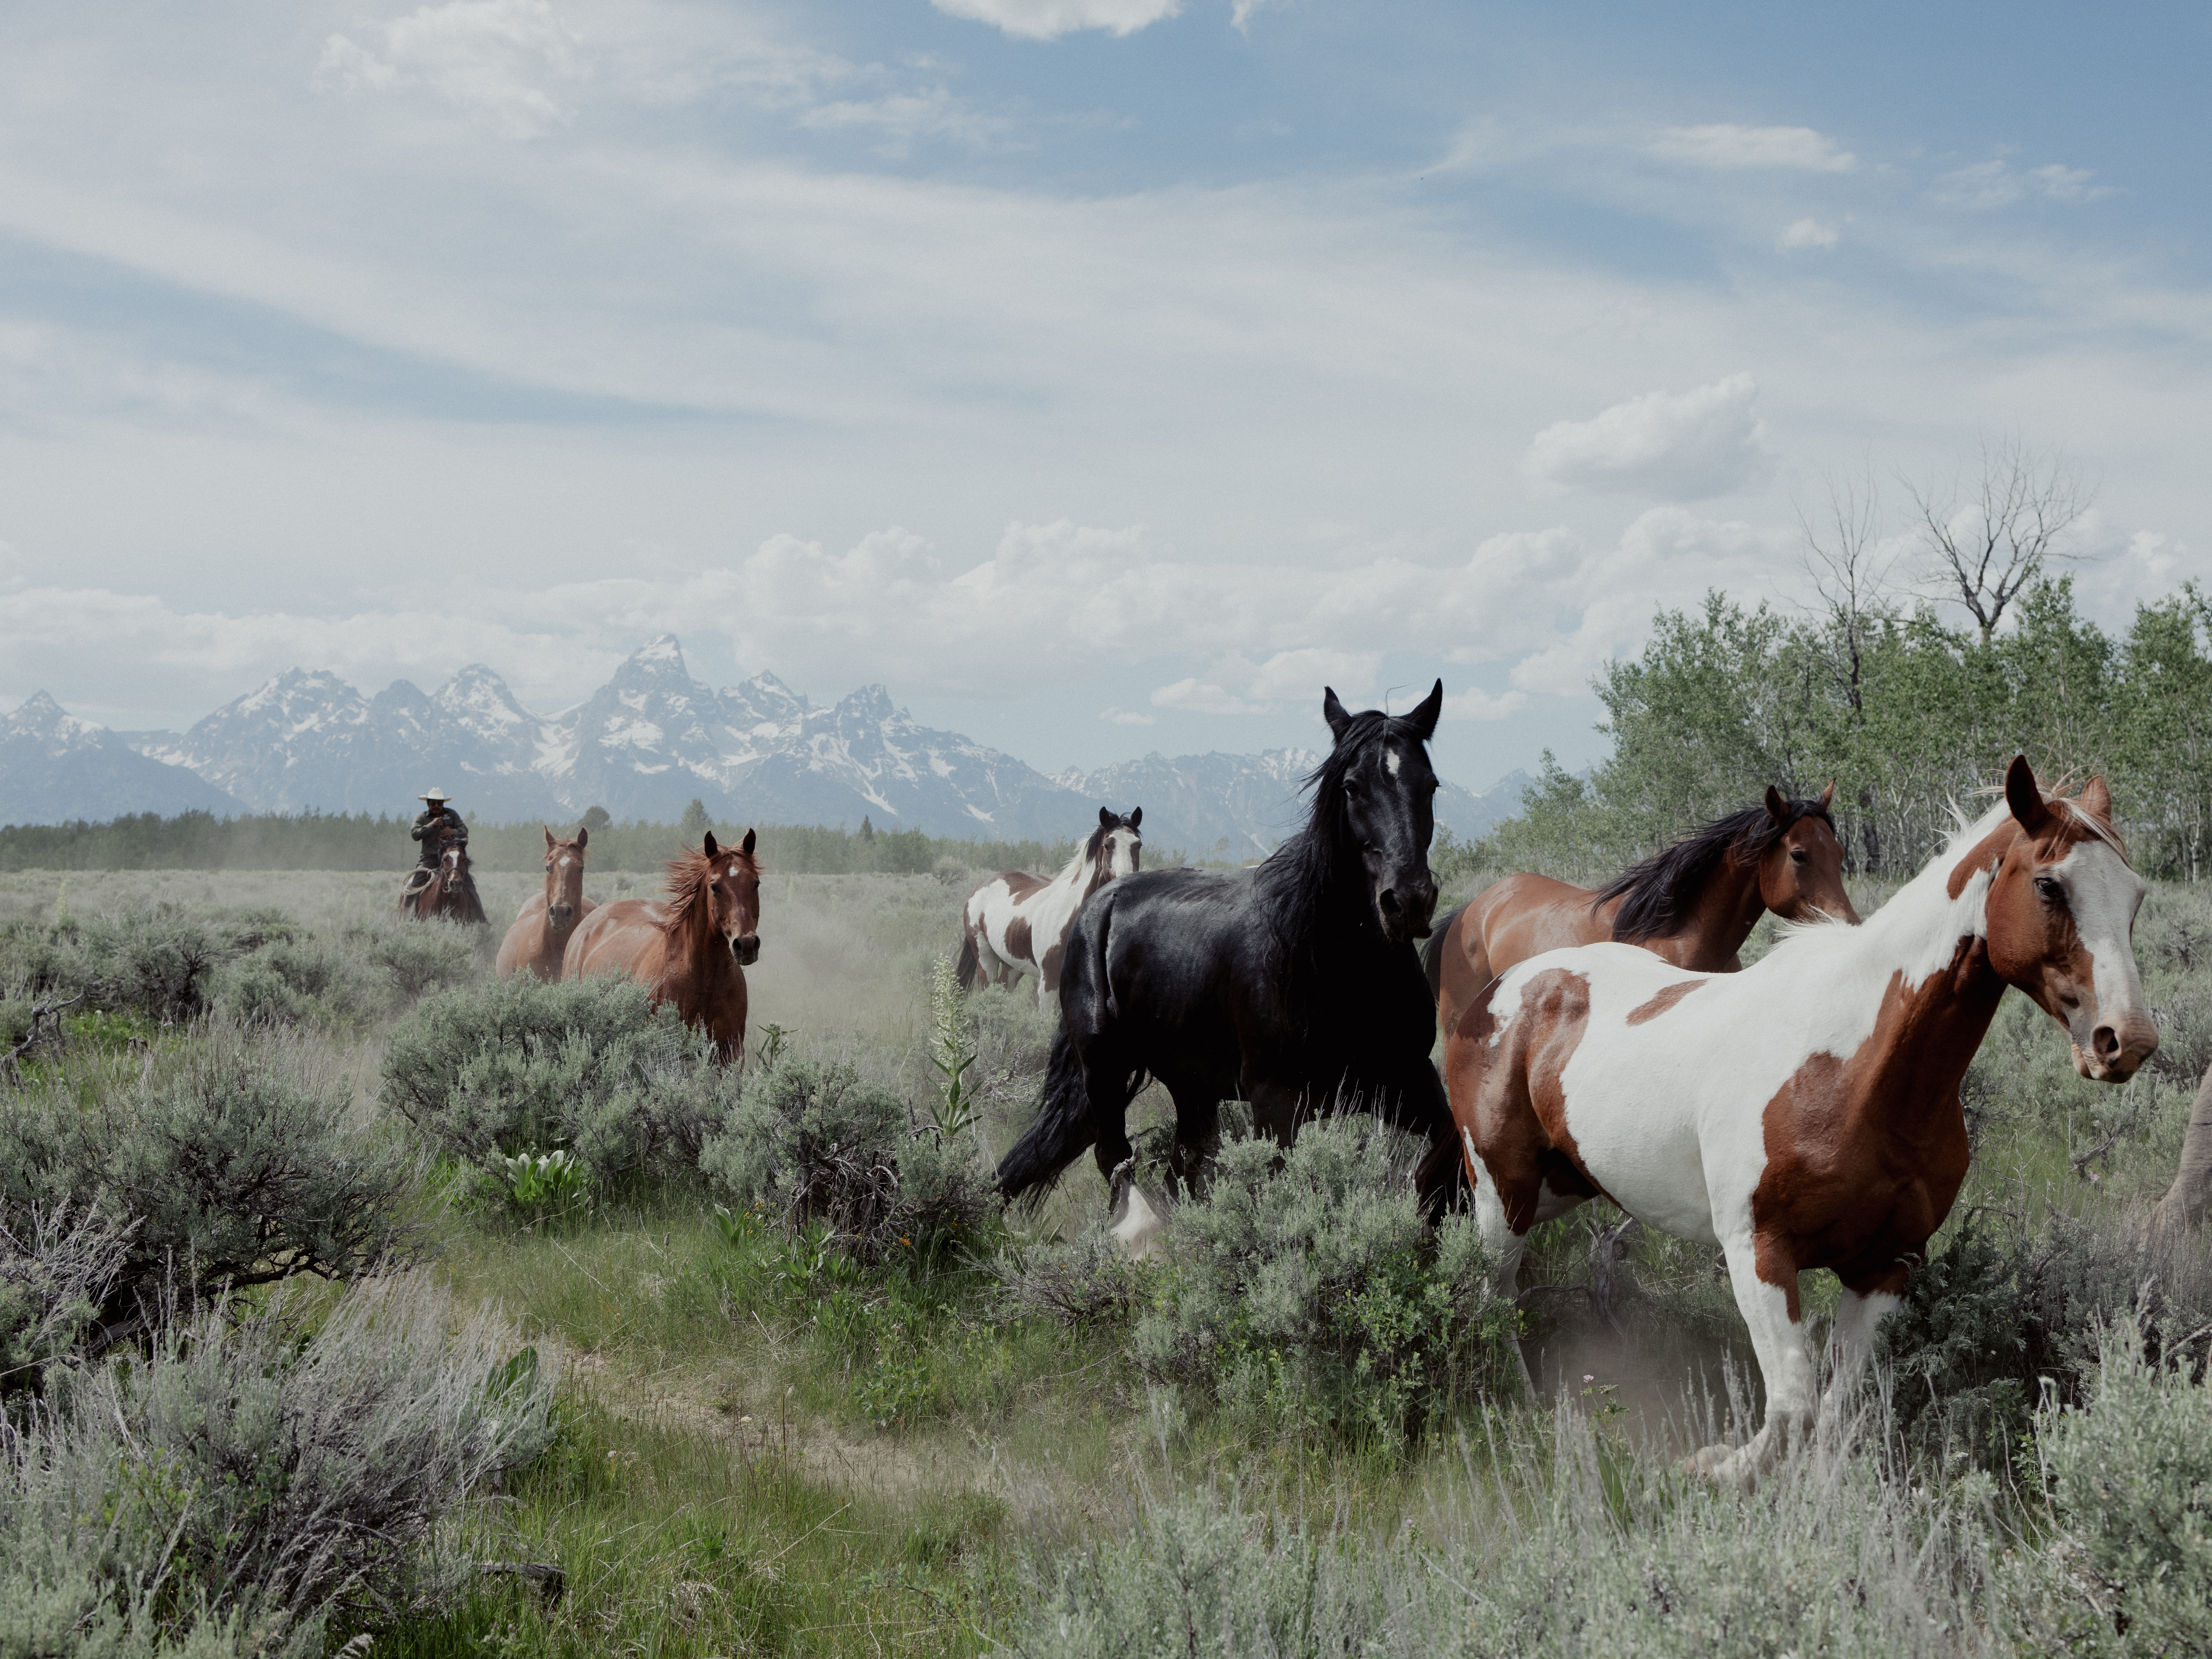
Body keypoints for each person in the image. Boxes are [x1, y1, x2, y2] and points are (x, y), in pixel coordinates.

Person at [411, 789, 468, 868]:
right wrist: (431, 826)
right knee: (418, 878)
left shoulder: (452, 814)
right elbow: (415, 835)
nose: (436, 806)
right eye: (433, 803)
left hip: (451, 857)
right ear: (428, 804)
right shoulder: (422, 817)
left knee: (464, 877)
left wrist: (452, 832)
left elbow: (465, 831)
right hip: (429, 859)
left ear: (443, 804)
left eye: (439, 803)